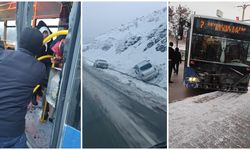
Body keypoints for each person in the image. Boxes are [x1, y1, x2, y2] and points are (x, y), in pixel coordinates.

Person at [0, 27, 45, 148]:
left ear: (19, 41)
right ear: (38, 48)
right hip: (13, 131)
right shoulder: (39, 69)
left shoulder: (3, 55)